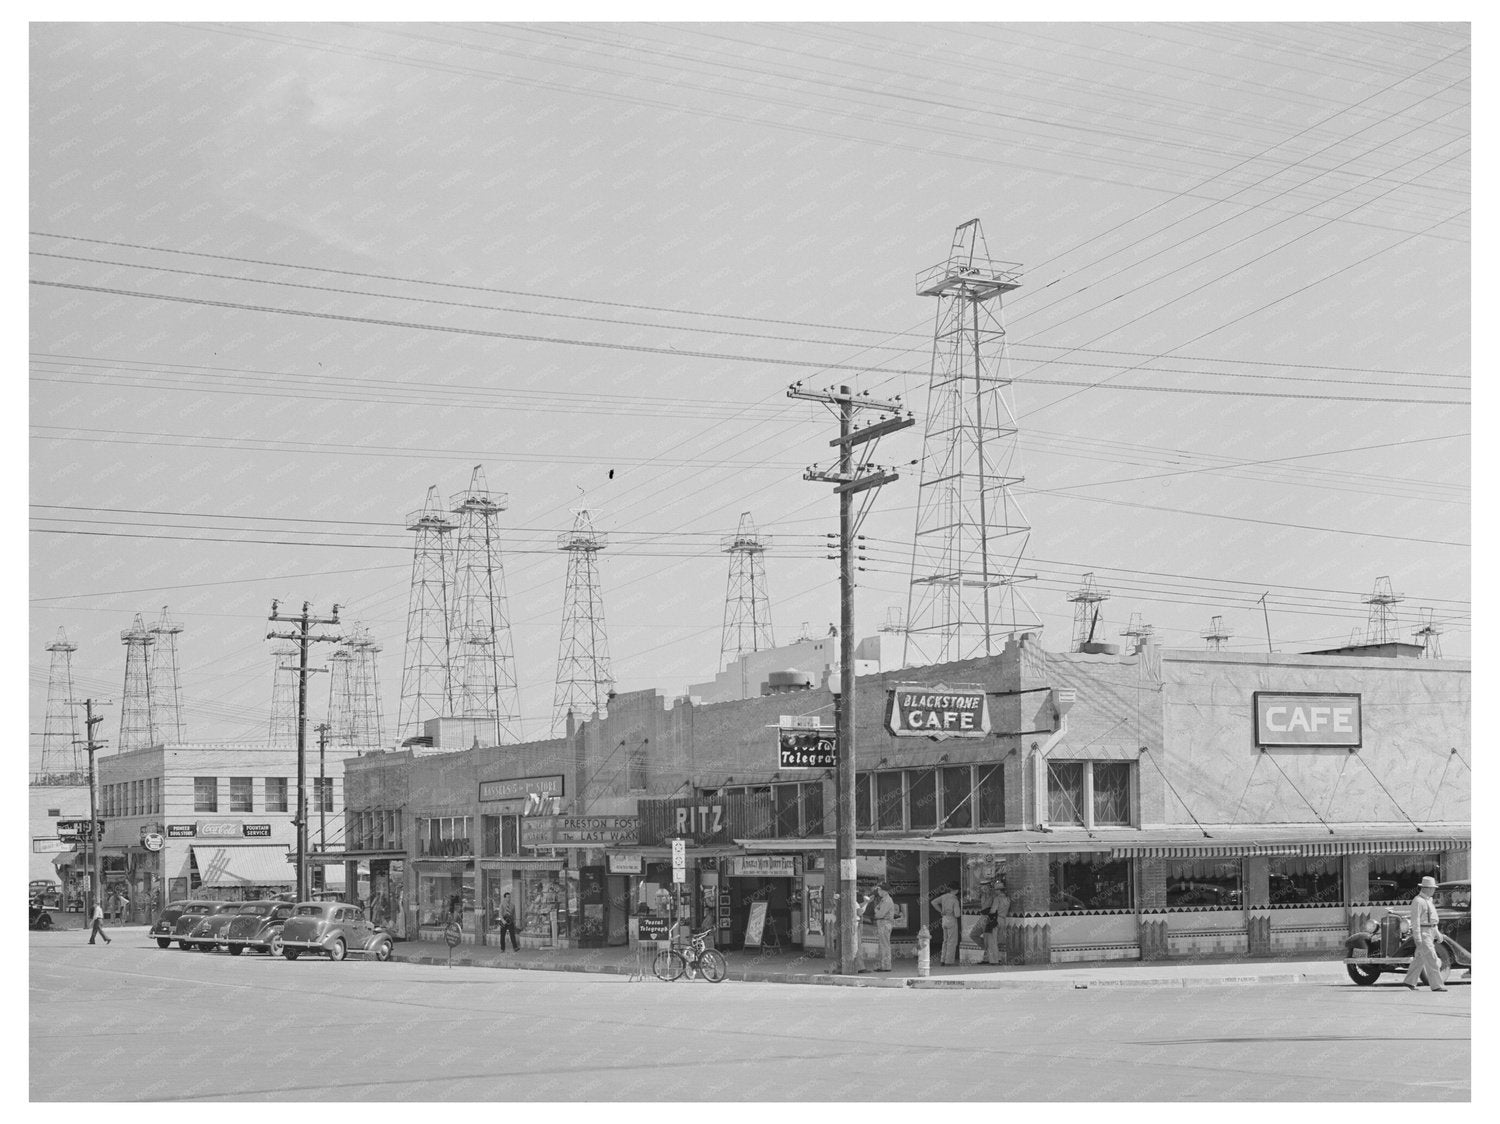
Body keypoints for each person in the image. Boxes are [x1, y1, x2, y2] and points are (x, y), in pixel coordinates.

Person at [1402, 875, 1448, 992]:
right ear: (1427, 888)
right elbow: (1415, 921)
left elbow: (1432, 921)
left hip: (1430, 931)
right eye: (1432, 888)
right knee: (1432, 958)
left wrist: (1437, 934)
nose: (1434, 890)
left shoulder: (1428, 901)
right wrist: (1417, 937)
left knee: (1420, 958)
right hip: (1424, 933)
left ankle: (1409, 981)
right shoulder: (1418, 901)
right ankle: (1437, 985)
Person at [931, 882, 961, 966]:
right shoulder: (954, 900)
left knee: (945, 941)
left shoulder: (944, 897)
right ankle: (949, 961)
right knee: (952, 941)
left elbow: (933, 902)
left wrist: (940, 911)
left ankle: (942, 960)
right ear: (956, 890)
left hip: (944, 919)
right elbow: (957, 914)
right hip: (952, 920)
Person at [982, 879, 1010, 965]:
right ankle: (995, 958)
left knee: (992, 941)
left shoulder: (997, 899)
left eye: (995, 890)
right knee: (996, 941)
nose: (995, 891)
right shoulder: (1008, 899)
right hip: (1003, 920)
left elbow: (993, 911)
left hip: (995, 920)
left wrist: (986, 911)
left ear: (998, 890)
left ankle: (994, 960)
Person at [871, 882, 898, 972]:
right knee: (882, 945)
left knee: (885, 945)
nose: (878, 891)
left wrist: (877, 912)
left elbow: (879, 914)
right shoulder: (883, 900)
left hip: (885, 923)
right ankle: (883, 965)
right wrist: (877, 912)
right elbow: (876, 909)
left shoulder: (887, 900)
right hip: (882, 923)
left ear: (884, 891)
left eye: (879, 889)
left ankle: (886, 966)